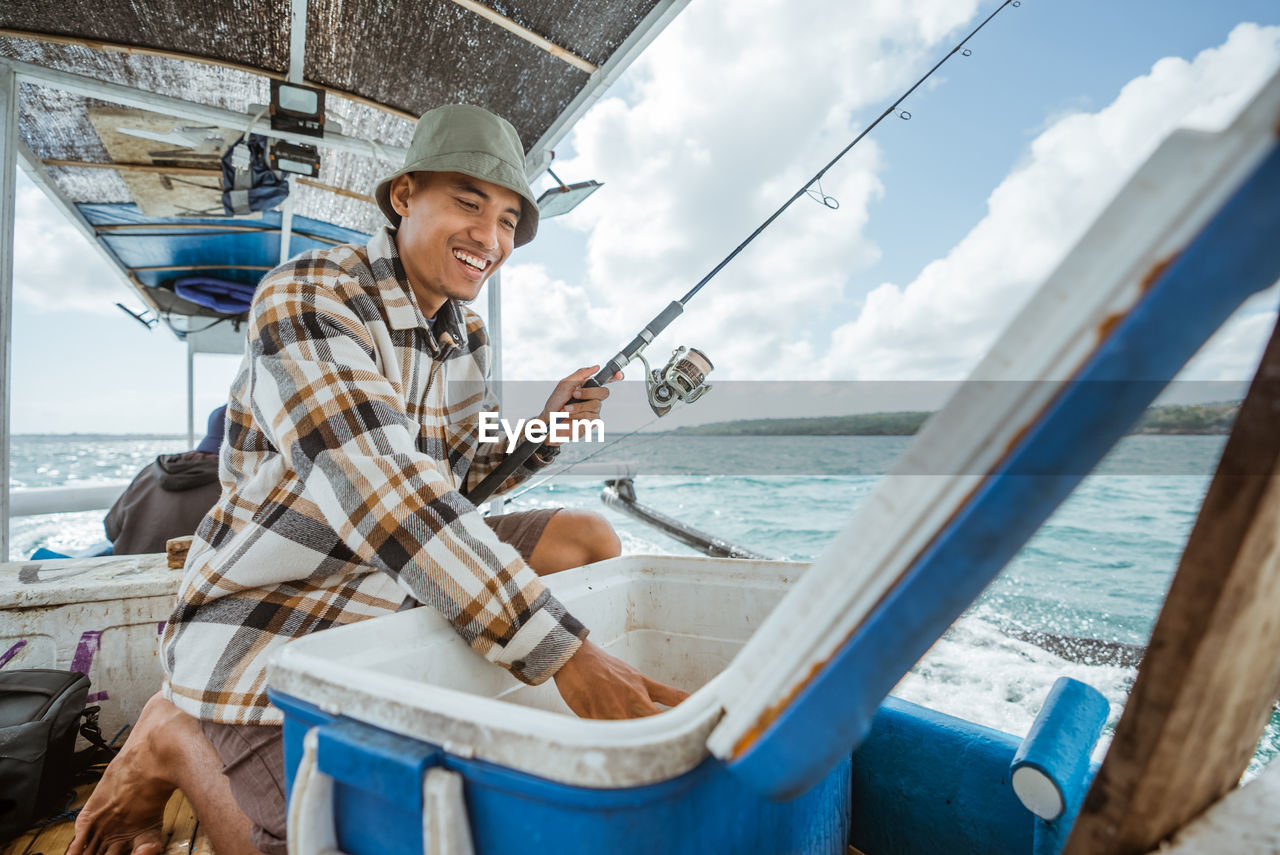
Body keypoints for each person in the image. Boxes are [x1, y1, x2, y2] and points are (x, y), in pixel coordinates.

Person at [68, 105, 688, 855]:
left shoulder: (467, 336)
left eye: (506, 220)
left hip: (397, 580)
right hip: (280, 605)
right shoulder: (307, 295)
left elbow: (458, 477)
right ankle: (171, 731)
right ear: (404, 197)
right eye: (467, 202)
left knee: (590, 536)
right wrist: (566, 654)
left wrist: (547, 428)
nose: (488, 239)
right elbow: (382, 488)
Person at [103, 406, 227, 555]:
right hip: (183, 576)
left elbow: (111, 530)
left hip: (128, 571)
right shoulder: (236, 483)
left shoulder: (151, 471)